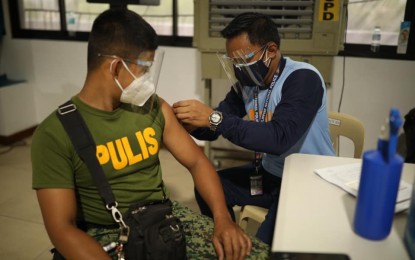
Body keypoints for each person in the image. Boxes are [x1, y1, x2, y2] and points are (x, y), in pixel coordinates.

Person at [31, 8, 254, 260]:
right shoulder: (55, 133)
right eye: (143, 69)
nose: (147, 80)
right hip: (106, 232)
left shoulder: (152, 107)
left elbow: (197, 161)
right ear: (115, 68)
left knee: (251, 253)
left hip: (160, 221)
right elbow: (62, 228)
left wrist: (223, 218)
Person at [173, 12, 335, 245]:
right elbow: (215, 126)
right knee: (208, 188)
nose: (239, 68)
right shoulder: (248, 84)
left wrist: (214, 118)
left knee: (265, 246)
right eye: (233, 62)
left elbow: (278, 138)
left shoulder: (302, 79)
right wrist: (189, 121)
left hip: (306, 178)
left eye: (243, 60)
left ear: (271, 51)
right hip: (269, 174)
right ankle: (227, 234)